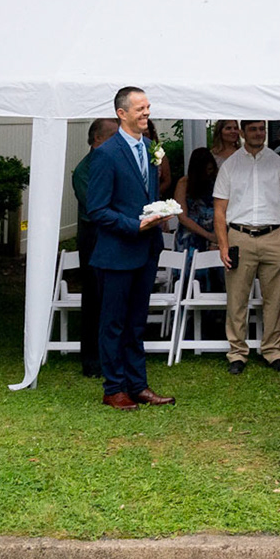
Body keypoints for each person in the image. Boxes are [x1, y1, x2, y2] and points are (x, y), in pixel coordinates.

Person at [81, 88, 177, 408]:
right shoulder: (106, 154)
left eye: (148, 107)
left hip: (146, 250)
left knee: (137, 323)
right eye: (139, 108)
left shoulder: (150, 148)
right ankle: (114, 388)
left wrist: (159, 213)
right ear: (121, 114)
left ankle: (138, 385)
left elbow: (146, 195)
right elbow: (97, 209)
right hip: (117, 252)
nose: (146, 113)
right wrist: (133, 225)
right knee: (113, 324)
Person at [214, 119, 280, 373]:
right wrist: (223, 245)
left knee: (275, 298)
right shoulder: (230, 166)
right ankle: (237, 353)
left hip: (273, 236)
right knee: (237, 298)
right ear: (243, 132)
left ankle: (273, 350)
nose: (259, 133)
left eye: (262, 129)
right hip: (239, 236)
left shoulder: (279, 164)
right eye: (253, 129)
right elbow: (220, 210)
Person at [70, 116, 120, 378]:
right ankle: (92, 361)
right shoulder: (84, 170)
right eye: (113, 135)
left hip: (113, 235)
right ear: (97, 138)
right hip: (94, 238)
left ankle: (113, 356)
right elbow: (96, 206)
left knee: (113, 298)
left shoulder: (113, 161)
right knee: (94, 298)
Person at [176, 120, 237, 255]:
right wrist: (208, 235)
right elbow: (182, 217)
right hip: (191, 234)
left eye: (211, 169)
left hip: (215, 232)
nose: (209, 173)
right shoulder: (184, 183)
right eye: (207, 170)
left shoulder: (215, 181)